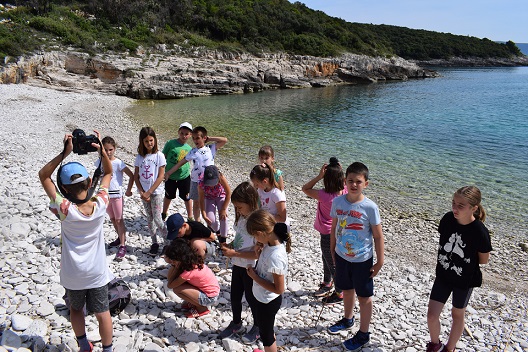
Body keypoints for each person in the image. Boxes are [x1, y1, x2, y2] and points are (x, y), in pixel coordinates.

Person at [39, 132, 114, 352]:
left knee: (76, 310)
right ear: (90, 182)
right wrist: (101, 151)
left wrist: (65, 153)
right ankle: (108, 349)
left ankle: (84, 345)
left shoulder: (64, 210)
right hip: (97, 272)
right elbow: (108, 172)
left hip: (73, 273)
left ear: (63, 190)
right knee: (103, 313)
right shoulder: (100, 204)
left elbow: (44, 176)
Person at [426, 186, 492, 352]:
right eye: (453, 203)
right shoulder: (447, 219)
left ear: (474, 208)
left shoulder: (479, 231)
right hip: (443, 275)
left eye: (460, 206)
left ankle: (450, 348)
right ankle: (435, 345)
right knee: (432, 316)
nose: (454, 208)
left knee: (457, 314)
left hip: (465, 280)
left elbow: (483, 260)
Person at [327, 162, 384, 351]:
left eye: (358, 182)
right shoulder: (338, 202)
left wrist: (380, 261)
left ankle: (363, 334)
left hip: (362, 259)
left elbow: (377, 236)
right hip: (342, 256)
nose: (353, 185)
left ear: (365, 184)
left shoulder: (370, 207)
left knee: (364, 296)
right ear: (345, 181)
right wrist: (333, 249)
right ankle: (348, 318)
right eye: (350, 181)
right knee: (346, 289)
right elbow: (334, 227)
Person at [218, 182, 260, 341]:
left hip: (250, 268)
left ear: (250, 202)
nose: (237, 210)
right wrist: (230, 246)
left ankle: (258, 326)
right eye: (235, 207)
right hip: (237, 264)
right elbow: (240, 240)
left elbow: (256, 254)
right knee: (235, 296)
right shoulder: (241, 218)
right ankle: (236, 323)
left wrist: (233, 252)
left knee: (251, 298)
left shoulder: (256, 222)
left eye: (240, 207)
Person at [301, 157, 347, 304]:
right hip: (339, 231)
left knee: (330, 261)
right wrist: (340, 170)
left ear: (326, 180)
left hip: (327, 233)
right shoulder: (344, 192)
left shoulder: (324, 195)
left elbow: (305, 188)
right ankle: (327, 283)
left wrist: (319, 176)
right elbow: (344, 180)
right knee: (327, 257)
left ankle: (340, 293)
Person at [245, 209, 289, 352]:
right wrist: (258, 254)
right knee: (266, 328)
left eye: (255, 237)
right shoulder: (269, 244)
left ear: (260, 233)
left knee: (266, 335)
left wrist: (254, 277)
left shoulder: (276, 256)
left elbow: (279, 289)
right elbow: (266, 268)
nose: (255, 240)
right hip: (262, 297)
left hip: (268, 301)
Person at [165, 126, 228, 222]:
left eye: (197, 138)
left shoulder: (211, 148)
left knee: (208, 201)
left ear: (204, 138)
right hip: (196, 181)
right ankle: (197, 221)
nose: (195, 140)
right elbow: (180, 163)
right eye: (193, 138)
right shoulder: (192, 151)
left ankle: (211, 220)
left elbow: (224, 140)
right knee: (196, 202)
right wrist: (169, 172)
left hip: (210, 180)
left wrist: (209, 139)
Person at [97, 136, 134, 261]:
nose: (108, 152)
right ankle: (120, 238)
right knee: (112, 219)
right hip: (105, 196)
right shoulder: (99, 162)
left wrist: (129, 190)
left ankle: (123, 245)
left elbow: (131, 175)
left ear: (115, 149)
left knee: (119, 220)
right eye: (105, 150)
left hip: (117, 195)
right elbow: (97, 178)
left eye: (110, 150)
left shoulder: (118, 163)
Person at [163, 238, 220, 318]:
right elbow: (170, 279)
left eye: (173, 260)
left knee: (177, 289)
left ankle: (202, 308)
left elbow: (170, 285)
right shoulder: (191, 261)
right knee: (180, 285)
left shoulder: (189, 271)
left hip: (210, 297)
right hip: (210, 291)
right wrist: (174, 264)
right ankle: (194, 302)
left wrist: (175, 267)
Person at [134, 127, 167, 256]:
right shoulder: (140, 157)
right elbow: (136, 176)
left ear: (155, 140)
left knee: (158, 218)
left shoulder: (159, 156)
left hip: (156, 192)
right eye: (146, 141)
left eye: (151, 140)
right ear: (142, 142)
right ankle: (154, 243)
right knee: (149, 218)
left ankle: (167, 243)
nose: (149, 143)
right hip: (144, 192)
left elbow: (160, 177)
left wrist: (149, 192)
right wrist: (142, 192)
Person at [162, 122, 193, 221]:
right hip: (169, 177)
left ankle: (190, 216)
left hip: (184, 176)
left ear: (190, 135)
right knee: (168, 196)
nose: (184, 136)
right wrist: (162, 172)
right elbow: (163, 157)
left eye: (186, 134)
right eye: (182, 133)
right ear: (178, 132)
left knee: (187, 197)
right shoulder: (170, 143)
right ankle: (164, 213)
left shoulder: (189, 149)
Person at [198, 165, 231, 243]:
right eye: (209, 183)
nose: (212, 186)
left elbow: (229, 193)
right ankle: (217, 231)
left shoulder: (221, 177)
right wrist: (203, 214)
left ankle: (223, 240)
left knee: (223, 217)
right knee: (210, 220)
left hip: (221, 196)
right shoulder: (201, 183)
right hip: (209, 198)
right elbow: (201, 199)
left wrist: (223, 209)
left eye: (214, 183)